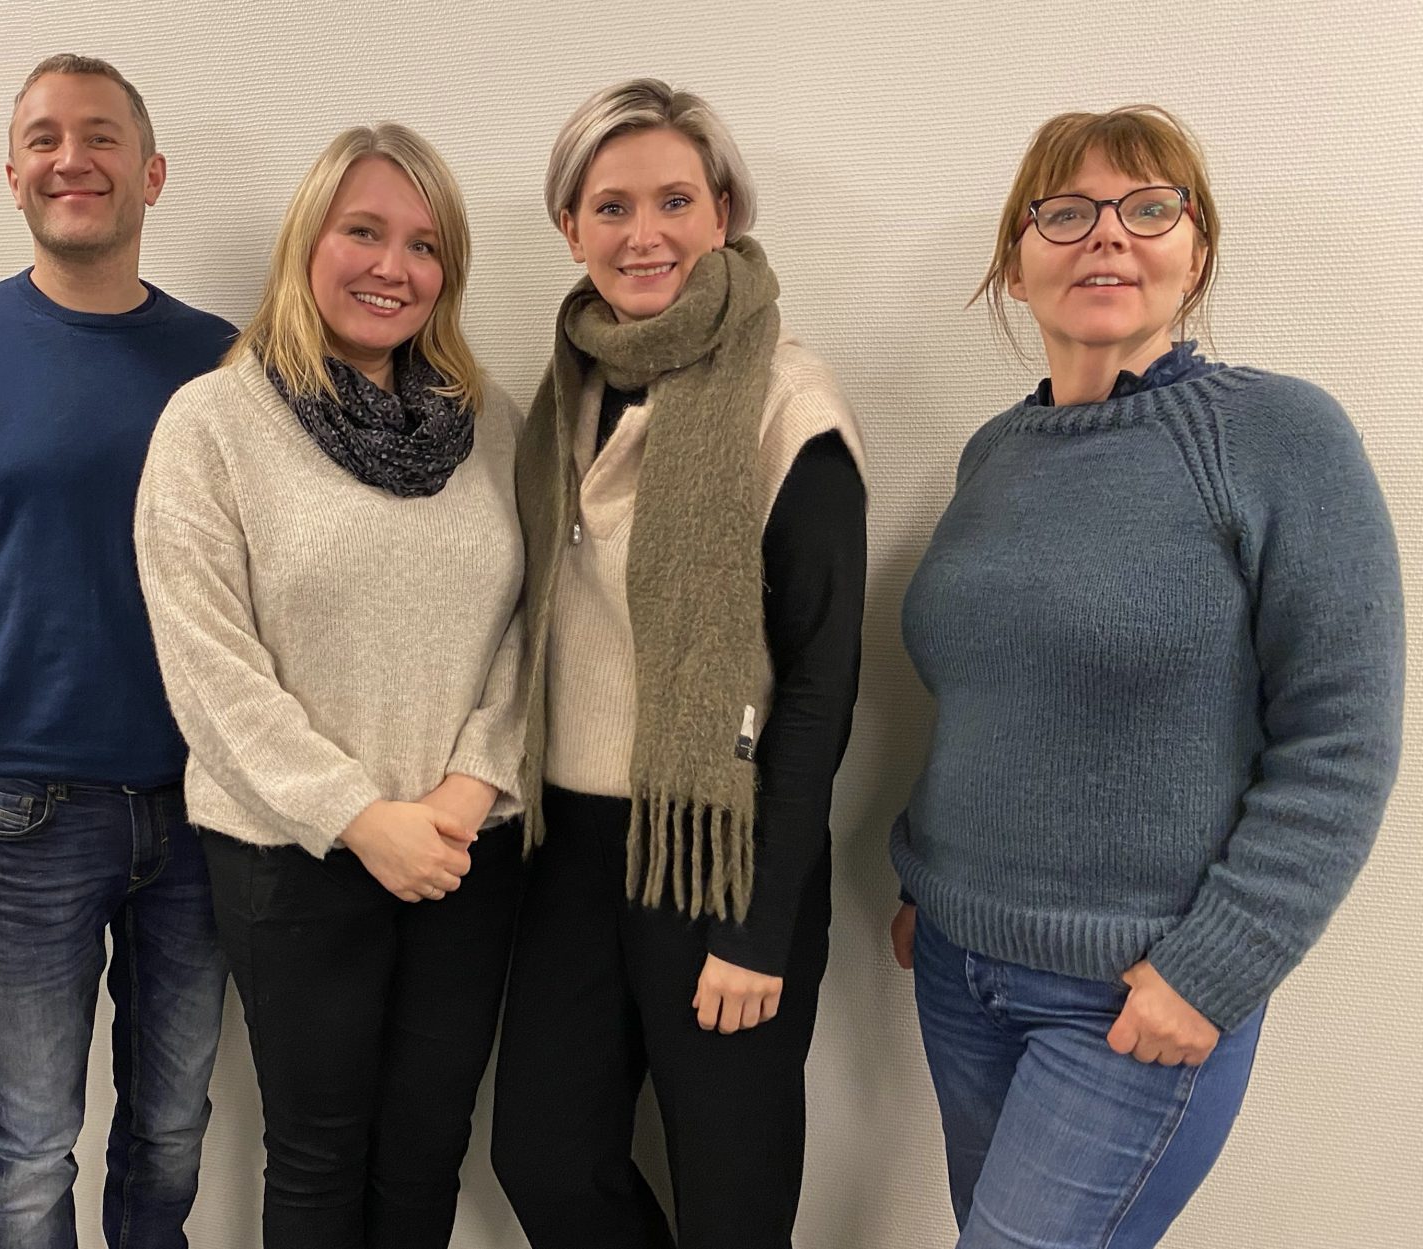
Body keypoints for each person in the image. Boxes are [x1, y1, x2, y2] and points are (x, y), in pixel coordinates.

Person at [888, 104, 1404, 1247]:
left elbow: (1343, 739)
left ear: (1196, 252)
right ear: (1016, 265)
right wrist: (932, 888)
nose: (1108, 235)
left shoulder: (1278, 435)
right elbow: (987, 696)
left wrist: (1213, 970)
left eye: (1149, 207)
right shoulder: (994, 454)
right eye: (1066, 213)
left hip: (1132, 992)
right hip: (960, 972)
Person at [0, 54, 233, 1249]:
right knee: (23, 1152)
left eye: (103, 136)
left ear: (152, 173)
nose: (74, 159)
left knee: (172, 1133)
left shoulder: (224, 359)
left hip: (206, 807)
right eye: (46, 138)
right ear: (12, 173)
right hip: (22, 814)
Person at [490, 79, 867, 1248]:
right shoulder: (568, 387)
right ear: (571, 228)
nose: (643, 233)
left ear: (724, 213)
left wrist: (759, 926)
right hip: (570, 850)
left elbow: (821, 681)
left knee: (731, 1200)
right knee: (543, 1157)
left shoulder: (787, 401)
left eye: (674, 201)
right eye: (611, 206)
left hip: (721, 850)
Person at [135, 122, 525, 1249]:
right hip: (290, 853)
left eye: (423, 244)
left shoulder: (491, 423)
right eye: (363, 231)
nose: (392, 266)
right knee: (317, 1151)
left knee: (427, 1143)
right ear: (308, 239)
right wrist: (359, 815)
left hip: (464, 847)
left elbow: (531, 621)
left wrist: (465, 790)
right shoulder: (213, 421)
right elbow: (207, 661)